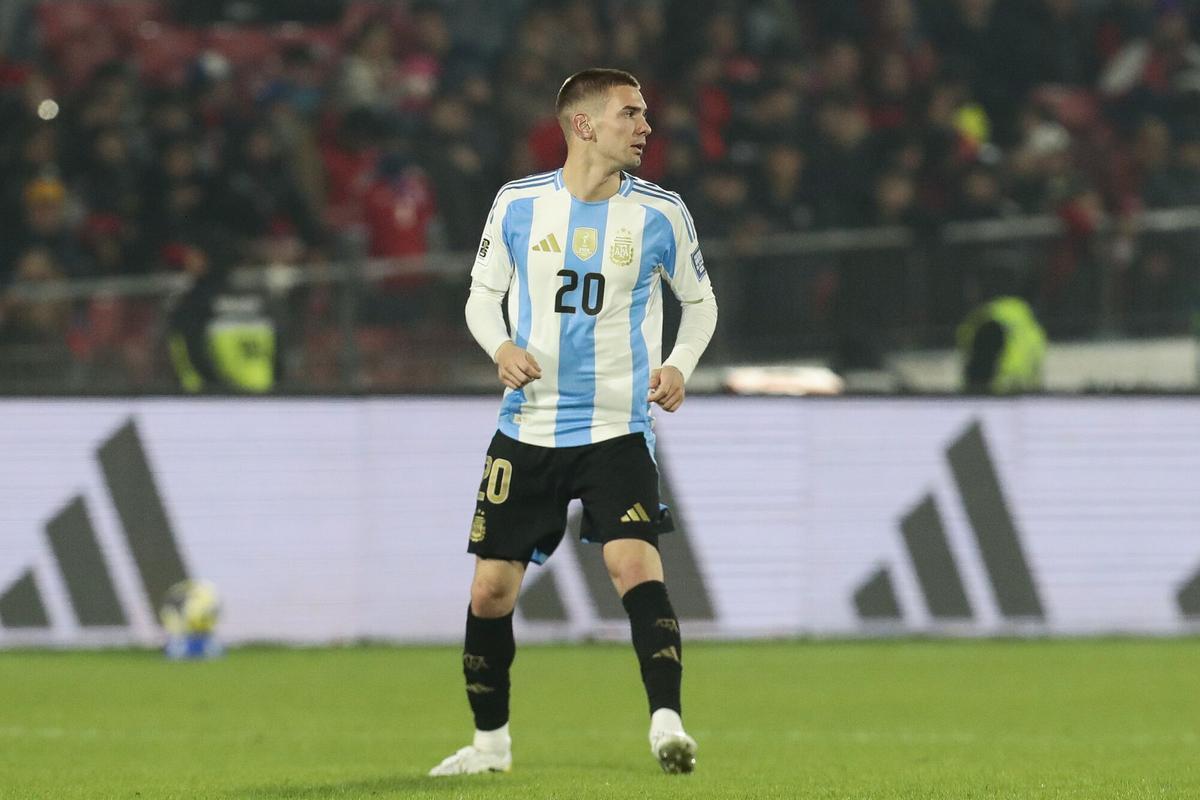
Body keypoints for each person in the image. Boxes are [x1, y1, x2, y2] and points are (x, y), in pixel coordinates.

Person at [429, 68, 718, 777]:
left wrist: (679, 363)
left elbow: (701, 303)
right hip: (527, 427)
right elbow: (480, 297)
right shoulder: (519, 204)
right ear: (583, 124)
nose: (646, 126)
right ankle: (490, 745)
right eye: (631, 113)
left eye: (646, 113)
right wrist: (499, 347)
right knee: (490, 593)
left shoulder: (661, 214)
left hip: (615, 427)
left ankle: (667, 724)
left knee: (632, 565)